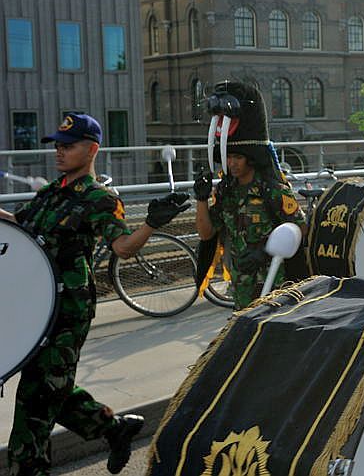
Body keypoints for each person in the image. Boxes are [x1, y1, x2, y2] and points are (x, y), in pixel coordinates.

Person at [0, 113, 189, 476]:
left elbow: (122, 248)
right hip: (33, 307)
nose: (59, 152)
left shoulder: (99, 199)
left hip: (67, 311)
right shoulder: (51, 192)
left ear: (91, 150)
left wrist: (151, 223)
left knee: (35, 403)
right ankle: (114, 429)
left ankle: (29, 468)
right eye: (57, 145)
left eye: (67, 146)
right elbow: (20, 227)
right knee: (50, 388)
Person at [194, 82, 306, 309]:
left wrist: (265, 251)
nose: (232, 163)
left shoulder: (272, 190)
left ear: (251, 158)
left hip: (274, 287)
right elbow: (207, 234)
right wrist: (201, 200)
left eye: (238, 157)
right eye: (229, 156)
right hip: (241, 288)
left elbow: (301, 228)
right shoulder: (227, 192)